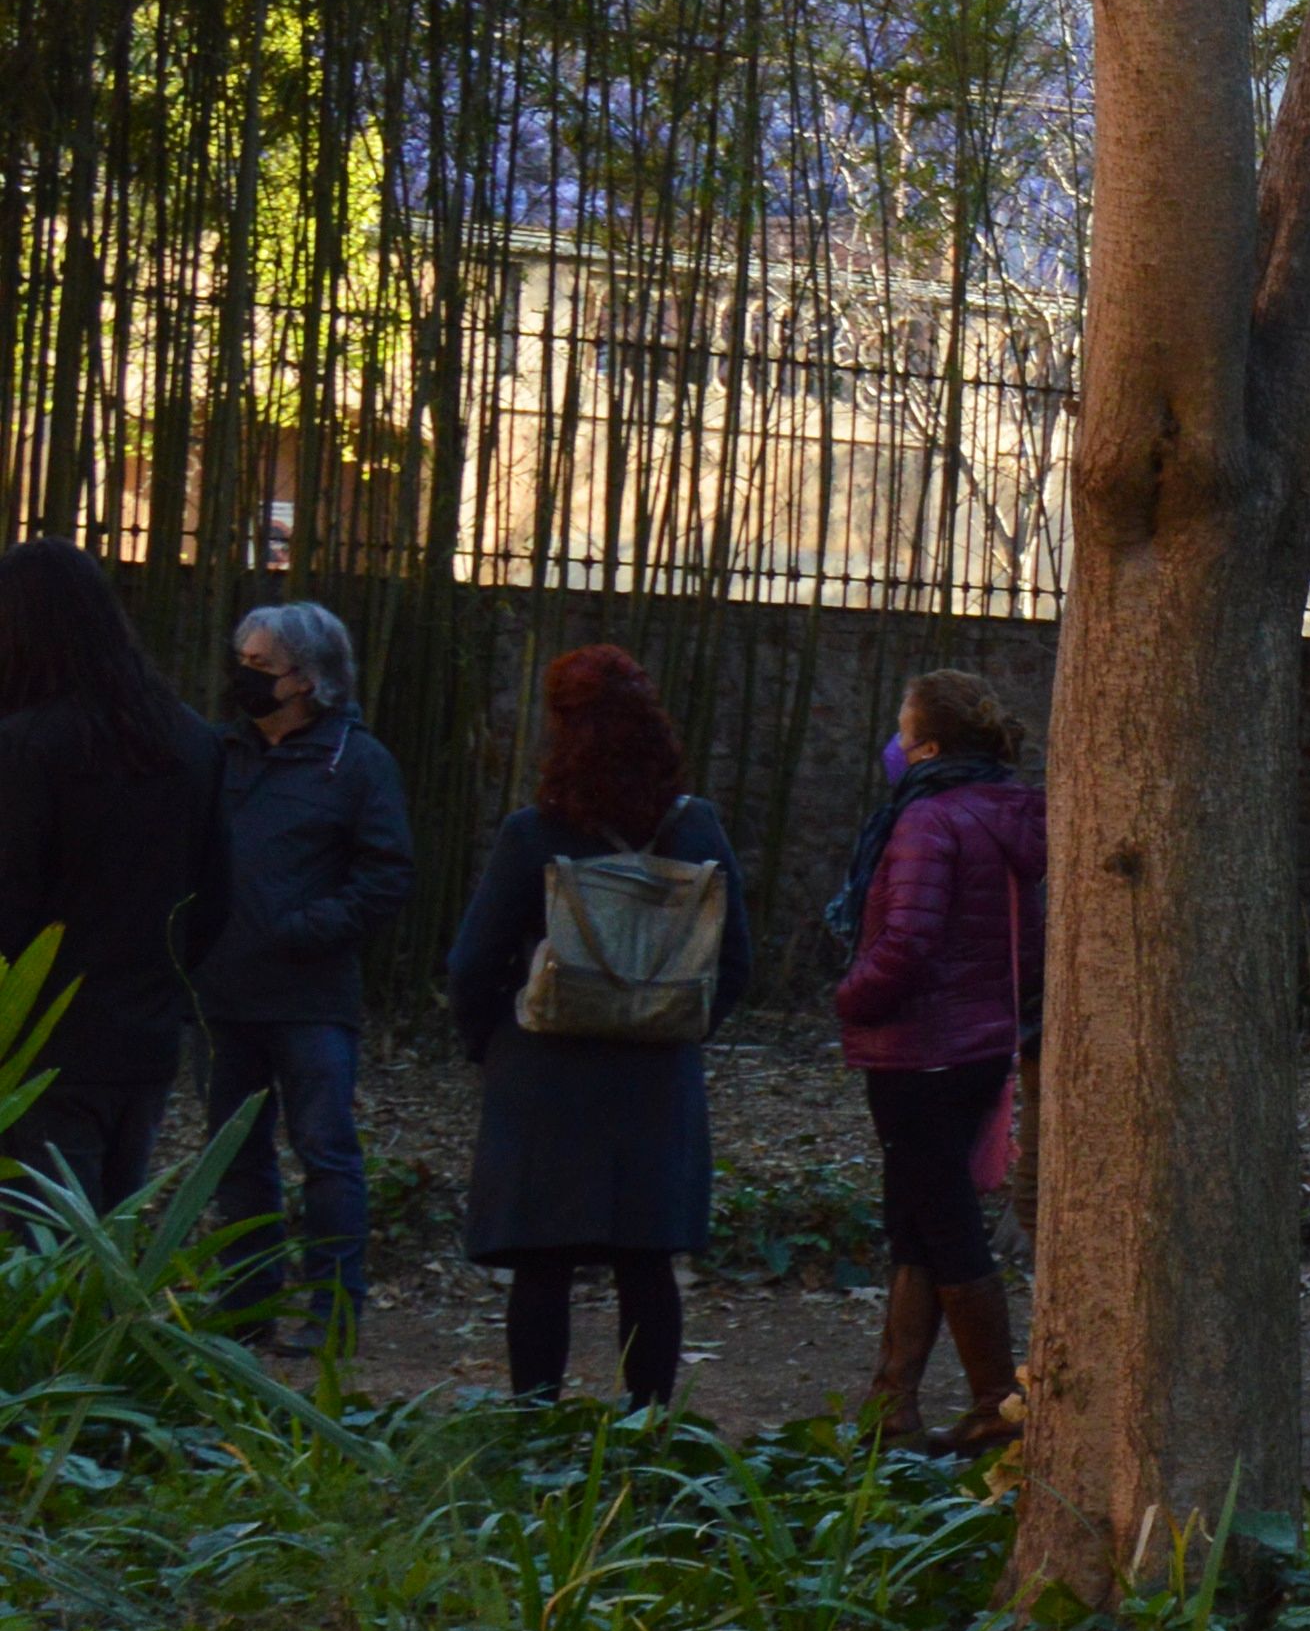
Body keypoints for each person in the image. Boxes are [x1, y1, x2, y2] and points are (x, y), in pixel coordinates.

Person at [448, 646, 751, 1405]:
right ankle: (647, 1429)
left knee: (542, 1265)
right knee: (646, 1264)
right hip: (655, 1079)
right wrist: (677, 1022)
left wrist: (492, 1043)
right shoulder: (696, 830)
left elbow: (471, 962)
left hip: (544, 1075)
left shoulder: (533, 834)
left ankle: (535, 1428)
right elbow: (739, 959)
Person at [824, 668, 1045, 1449]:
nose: (896, 740)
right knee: (917, 1218)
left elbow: (909, 943)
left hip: (921, 1049)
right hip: (981, 1041)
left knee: (942, 1222)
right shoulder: (1010, 812)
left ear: (932, 745)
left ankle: (995, 1403)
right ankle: (893, 1404)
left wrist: (853, 994)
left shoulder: (927, 820)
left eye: (904, 726)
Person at [196, 598, 414, 1336]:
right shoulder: (219, 753)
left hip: (310, 994)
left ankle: (333, 1312)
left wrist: (304, 930)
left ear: (307, 680)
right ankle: (248, 1308)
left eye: (261, 667)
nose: (244, 677)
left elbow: (386, 877)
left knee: (325, 1153)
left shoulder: (357, 762)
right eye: (243, 662)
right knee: (235, 1157)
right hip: (222, 992)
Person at [0, 543, 220, 1220]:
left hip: (40, 1045)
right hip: (144, 1037)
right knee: (110, 1256)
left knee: (45, 1265)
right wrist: (162, 987)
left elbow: (8, 906)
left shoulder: (28, 745)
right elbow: (215, 899)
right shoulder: (190, 741)